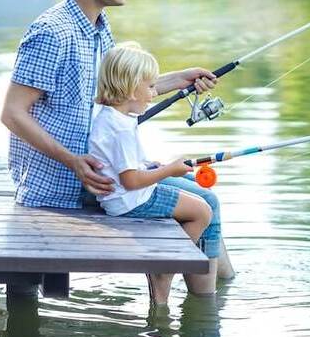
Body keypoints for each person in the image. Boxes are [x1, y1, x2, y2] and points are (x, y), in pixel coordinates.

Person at [0, 0, 234, 300]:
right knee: (203, 207)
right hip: (63, 186)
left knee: (208, 202)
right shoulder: (52, 33)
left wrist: (180, 78)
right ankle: (203, 312)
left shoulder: (98, 28)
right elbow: (13, 114)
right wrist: (74, 162)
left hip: (103, 175)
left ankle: (215, 297)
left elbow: (117, 93)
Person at [90, 42, 226, 300]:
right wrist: (168, 170)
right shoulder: (121, 129)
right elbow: (130, 181)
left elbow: (124, 165)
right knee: (202, 211)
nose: (154, 93)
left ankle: (169, 266)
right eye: (150, 87)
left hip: (122, 197)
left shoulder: (111, 117)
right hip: (132, 200)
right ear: (131, 90)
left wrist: (151, 166)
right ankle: (166, 269)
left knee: (199, 201)